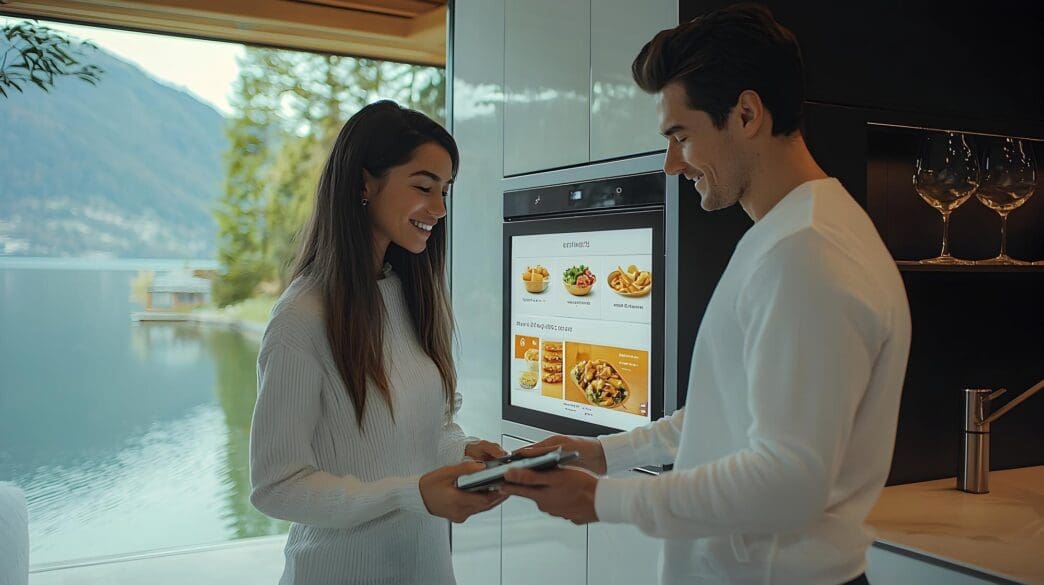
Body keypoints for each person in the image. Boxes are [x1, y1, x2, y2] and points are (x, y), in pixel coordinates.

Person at [499, 5, 912, 585]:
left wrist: (603, 501)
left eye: (680, 136)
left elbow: (789, 480)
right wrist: (604, 454)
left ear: (746, 114)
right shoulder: (790, 234)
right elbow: (732, 412)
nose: (672, 165)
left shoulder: (808, 251)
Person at [250, 100, 507, 585]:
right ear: (364, 183)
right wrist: (411, 494)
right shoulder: (300, 320)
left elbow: (421, 434)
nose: (440, 209)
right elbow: (276, 486)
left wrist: (463, 451)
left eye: (445, 190)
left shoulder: (407, 296)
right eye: (424, 187)